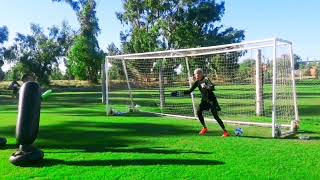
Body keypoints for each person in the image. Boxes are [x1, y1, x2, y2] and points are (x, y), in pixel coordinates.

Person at [183, 68, 230, 137]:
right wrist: (181, 92)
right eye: (195, 74)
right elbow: (190, 91)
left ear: (201, 74)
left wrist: (207, 86)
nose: (196, 75)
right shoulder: (197, 82)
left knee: (215, 116)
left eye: (197, 74)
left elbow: (212, 88)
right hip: (204, 101)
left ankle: (225, 132)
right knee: (198, 112)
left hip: (211, 100)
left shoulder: (206, 80)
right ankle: (205, 128)